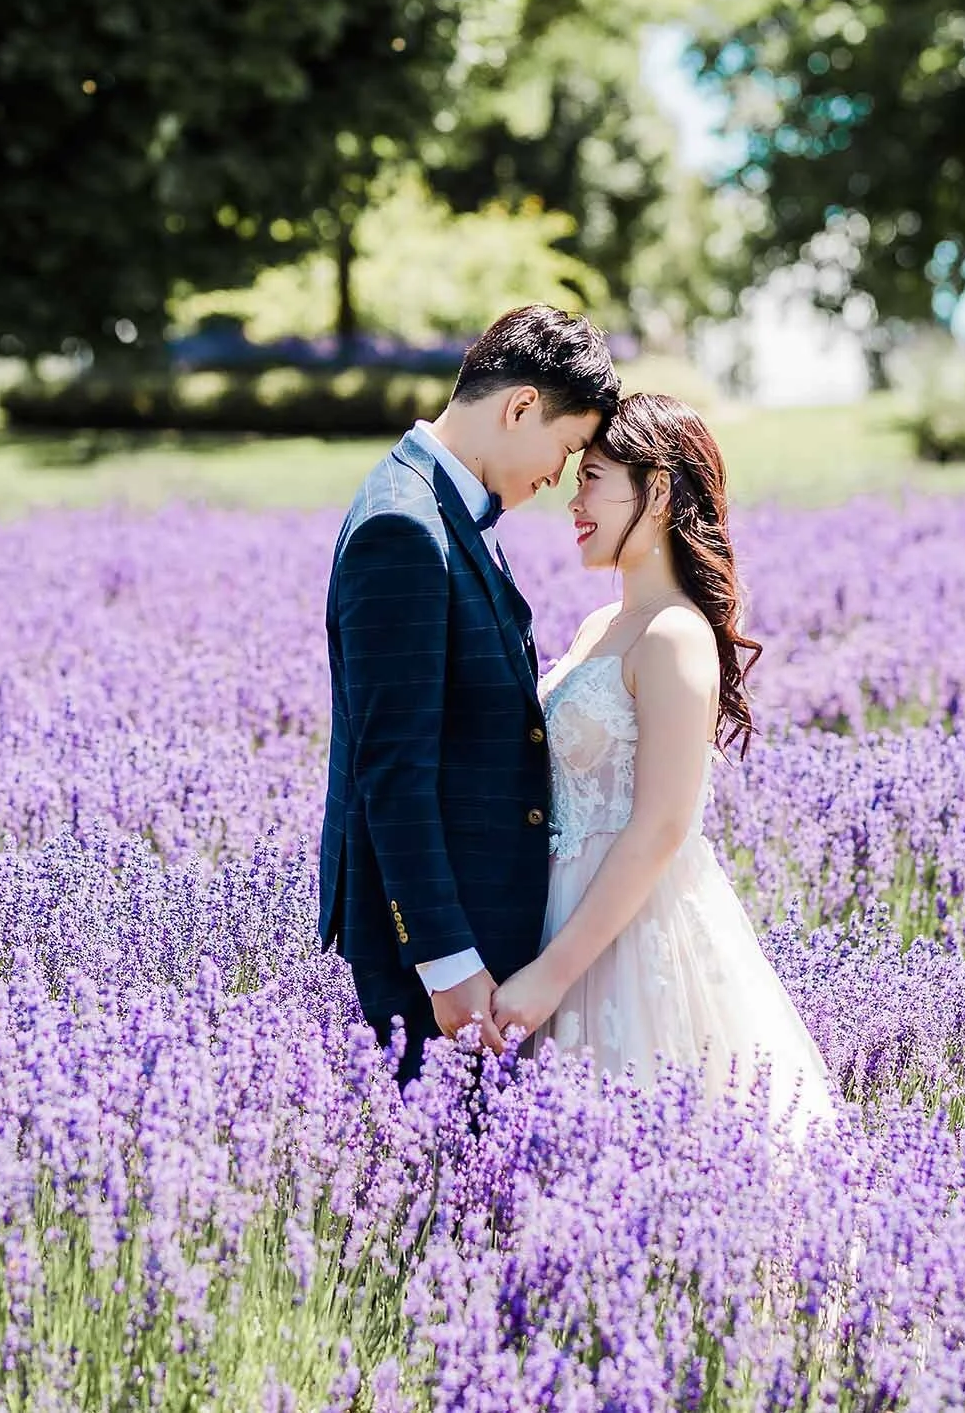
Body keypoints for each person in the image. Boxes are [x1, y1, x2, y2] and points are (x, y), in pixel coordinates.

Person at [490, 393, 838, 1134]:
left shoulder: (676, 635)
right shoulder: (600, 625)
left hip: (629, 935)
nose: (573, 500)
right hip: (560, 912)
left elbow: (660, 827)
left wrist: (552, 976)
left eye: (594, 479)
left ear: (656, 492)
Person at [319, 305, 620, 1084]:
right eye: (566, 448)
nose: (558, 477)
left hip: (482, 922)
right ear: (520, 406)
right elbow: (392, 770)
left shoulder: (446, 506)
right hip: (442, 950)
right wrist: (445, 960)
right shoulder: (405, 525)